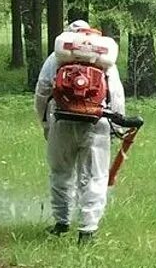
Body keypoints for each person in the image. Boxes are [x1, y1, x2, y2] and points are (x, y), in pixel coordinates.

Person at [33, 17, 126, 244]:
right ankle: (87, 230)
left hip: (61, 122)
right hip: (97, 123)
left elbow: (42, 91)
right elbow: (116, 95)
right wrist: (115, 127)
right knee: (95, 176)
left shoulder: (56, 58)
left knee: (61, 172)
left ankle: (61, 222)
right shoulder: (104, 61)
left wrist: (46, 123)